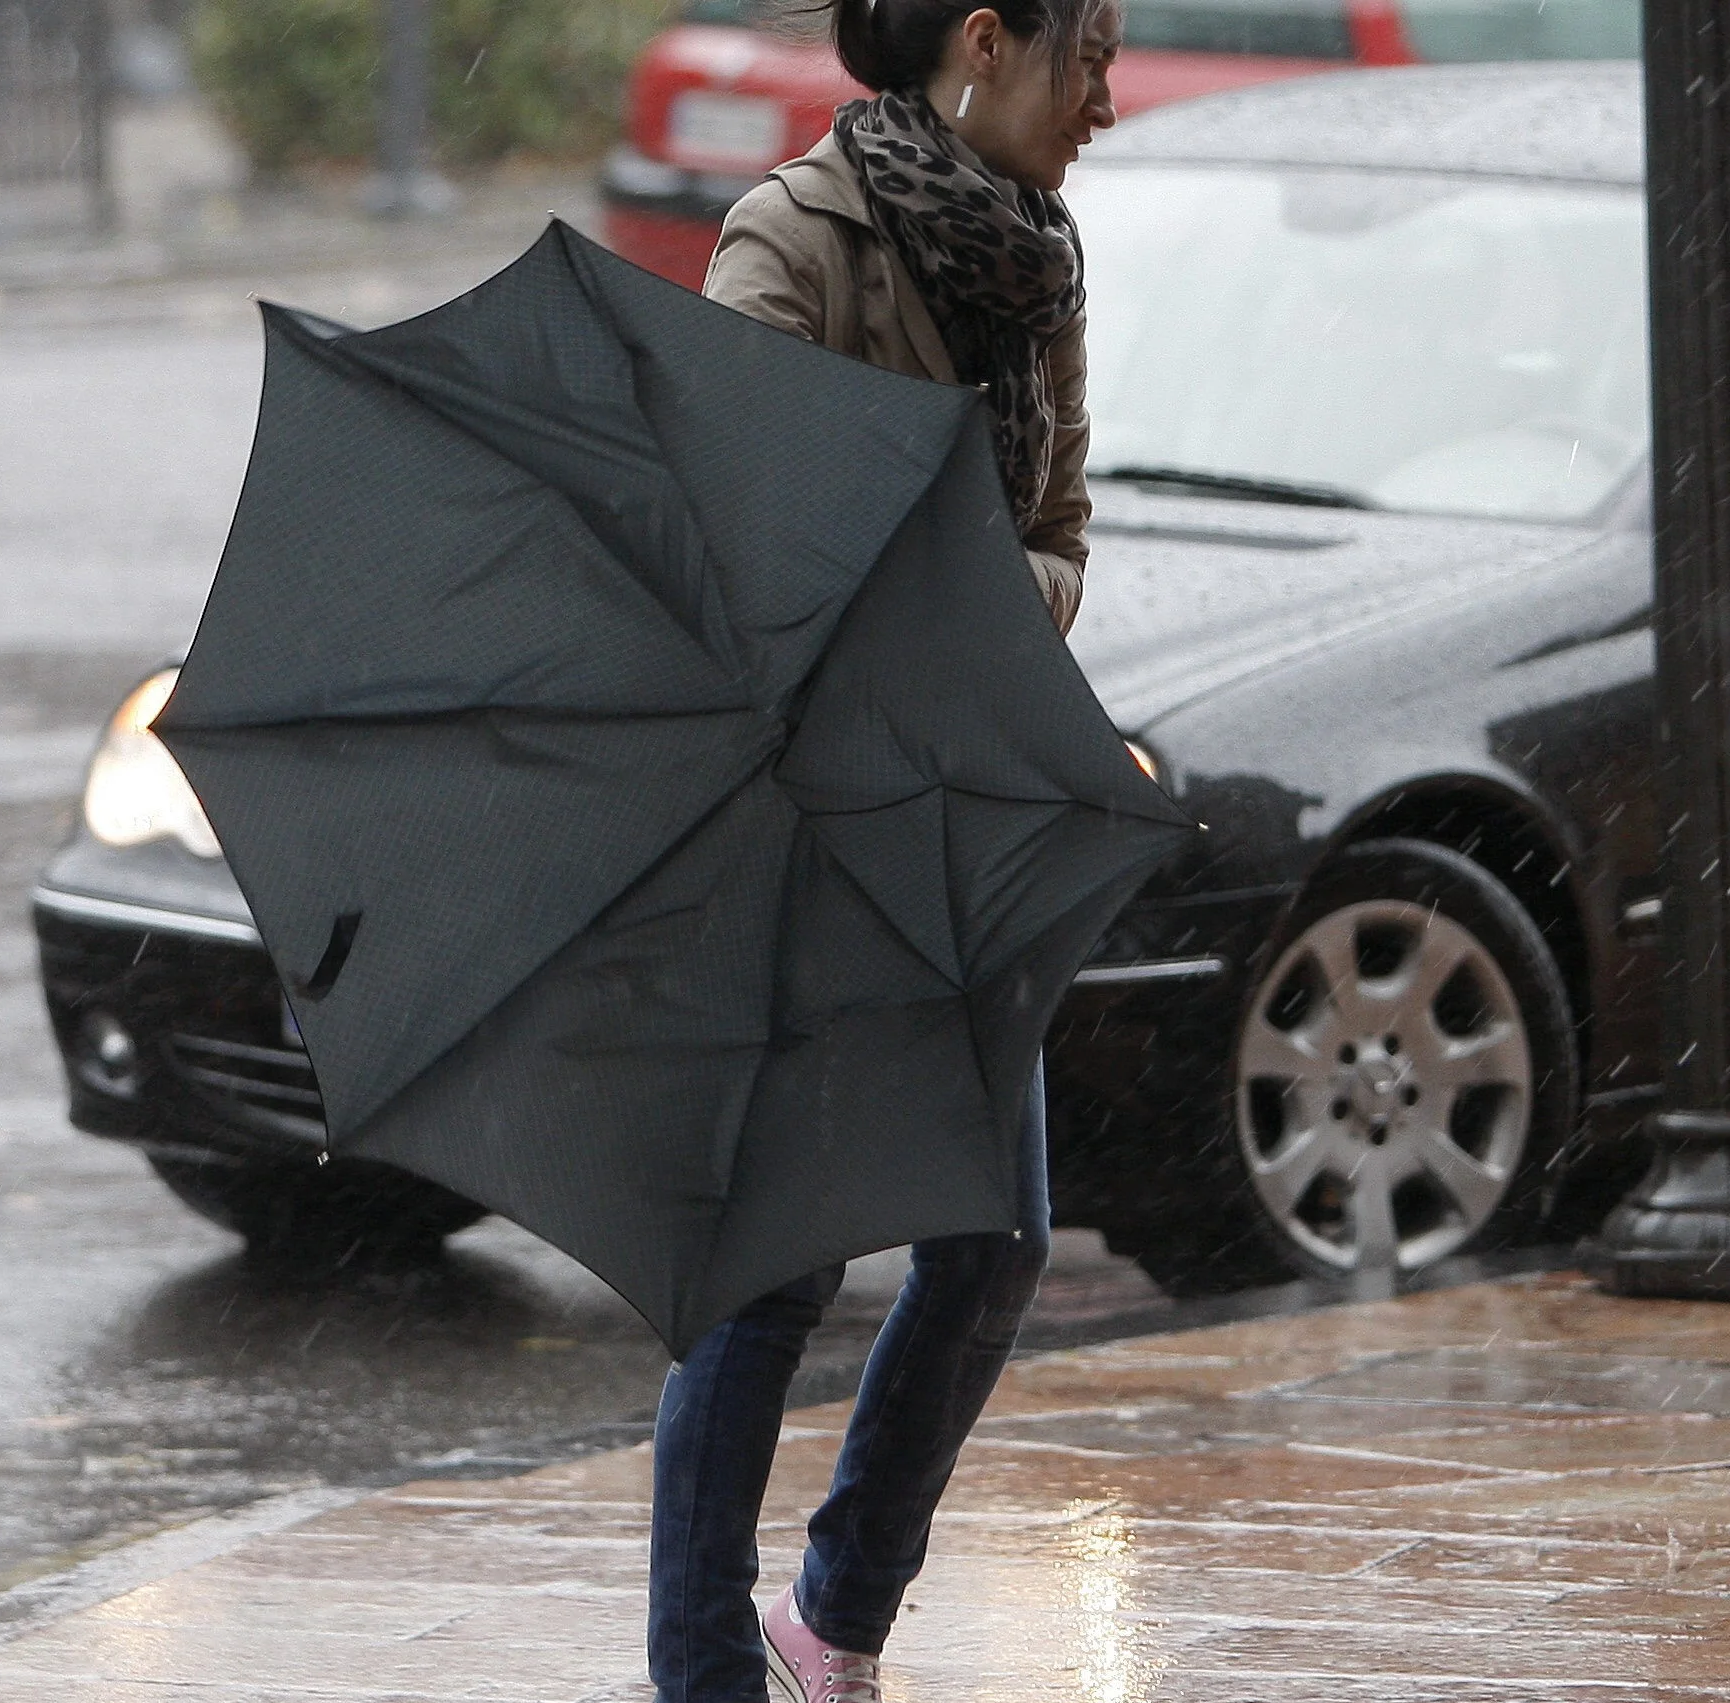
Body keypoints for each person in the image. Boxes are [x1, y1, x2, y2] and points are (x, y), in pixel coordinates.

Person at [650, 0, 1120, 1697]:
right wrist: (909, 598)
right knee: (778, 1259)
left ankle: (834, 1617)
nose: (1109, 105)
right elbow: (729, 539)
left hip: (963, 817)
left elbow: (1059, 536)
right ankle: (699, 1671)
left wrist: (994, 609)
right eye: (1093, 59)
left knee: (993, 1237)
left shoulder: (1043, 263)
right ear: (986, 44)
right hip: (804, 821)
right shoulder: (794, 237)